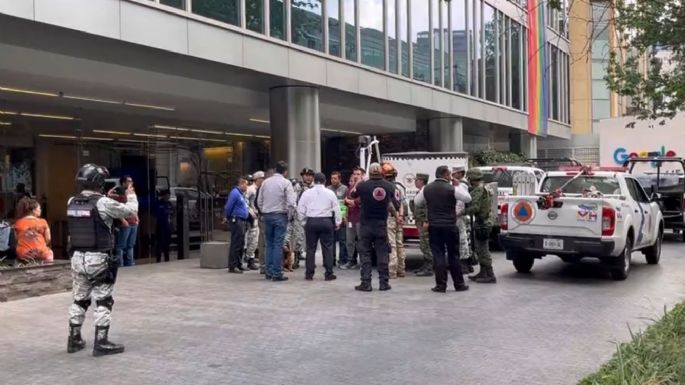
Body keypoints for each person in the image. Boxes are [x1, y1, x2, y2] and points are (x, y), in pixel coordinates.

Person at [66, 163, 138, 356]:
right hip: (98, 257)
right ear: (98, 182)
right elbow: (129, 211)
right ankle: (101, 342)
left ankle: (74, 340)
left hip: (77, 258)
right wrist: (130, 194)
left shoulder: (72, 201)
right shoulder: (103, 203)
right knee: (103, 299)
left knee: (80, 299)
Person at [414, 165, 472, 293]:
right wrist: (458, 185)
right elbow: (468, 198)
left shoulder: (427, 189)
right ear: (446, 175)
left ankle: (440, 285)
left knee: (438, 255)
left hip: (434, 226)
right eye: (450, 174)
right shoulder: (452, 188)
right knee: (453, 255)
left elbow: (417, 202)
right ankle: (459, 284)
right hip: (450, 225)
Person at [350, 163, 397, 292]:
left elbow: (352, 195)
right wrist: (396, 215)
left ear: (369, 173)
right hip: (381, 225)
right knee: (382, 254)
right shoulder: (389, 186)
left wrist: (359, 181)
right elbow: (394, 204)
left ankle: (366, 283)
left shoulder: (363, 186)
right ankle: (384, 283)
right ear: (381, 172)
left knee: (365, 254)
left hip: (365, 225)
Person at [257, 161, 297, 282]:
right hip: (280, 215)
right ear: (285, 172)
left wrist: (264, 211)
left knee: (268, 244)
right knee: (278, 244)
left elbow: (259, 201)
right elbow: (291, 203)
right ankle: (276, 273)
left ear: (275, 170)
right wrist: (290, 216)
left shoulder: (265, 182)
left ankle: (268, 272)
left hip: (267, 215)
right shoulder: (286, 183)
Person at [298, 172, 342, 281]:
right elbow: (336, 208)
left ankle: (309, 273)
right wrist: (338, 222)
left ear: (314, 180)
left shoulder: (307, 193)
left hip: (312, 221)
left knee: (310, 248)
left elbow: (300, 209)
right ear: (325, 181)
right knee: (327, 247)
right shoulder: (330, 193)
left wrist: (303, 222)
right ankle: (329, 272)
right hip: (326, 221)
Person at [465, 168, 496, 283]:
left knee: (483, 249)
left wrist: (462, 212)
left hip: (482, 222)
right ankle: (483, 272)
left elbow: (475, 208)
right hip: (484, 221)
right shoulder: (483, 187)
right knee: (480, 248)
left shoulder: (478, 190)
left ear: (472, 178)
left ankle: (490, 274)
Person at [382, 162, 406, 279]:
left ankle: (392, 271)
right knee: (400, 244)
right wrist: (400, 216)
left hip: (390, 218)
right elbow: (401, 203)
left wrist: (396, 216)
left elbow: (389, 205)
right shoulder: (398, 187)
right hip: (398, 218)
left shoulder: (386, 187)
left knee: (391, 245)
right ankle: (401, 269)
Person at [108, 175, 139, 267]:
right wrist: (123, 220)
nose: (130, 183)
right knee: (121, 245)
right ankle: (120, 265)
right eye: (128, 181)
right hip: (125, 223)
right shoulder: (119, 192)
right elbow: (116, 208)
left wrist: (137, 217)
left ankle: (130, 264)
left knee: (130, 245)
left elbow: (134, 205)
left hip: (133, 221)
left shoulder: (131, 192)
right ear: (123, 182)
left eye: (131, 181)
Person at [287, 168, 314, 268]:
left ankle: (311, 260)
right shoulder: (298, 186)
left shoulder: (315, 187)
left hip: (313, 214)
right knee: (298, 236)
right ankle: (296, 258)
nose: (307, 177)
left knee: (312, 239)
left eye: (310, 175)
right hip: (300, 215)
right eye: (306, 175)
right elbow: (293, 200)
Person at [14, 197, 53, 263]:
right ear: (33, 210)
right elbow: (48, 239)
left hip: (24, 254)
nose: (41, 210)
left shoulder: (18, 223)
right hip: (42, 253)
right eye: (39, 208)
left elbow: (17, 239)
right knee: (49, 253)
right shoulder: (43, 222)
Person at [225, 177, 250, 274]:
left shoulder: (240, 194)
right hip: (236, 219)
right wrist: (228, 217)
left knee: (241, 243)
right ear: (241, 184)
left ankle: (239, 263)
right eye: (246, 184)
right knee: (236, 242)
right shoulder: (235, 193)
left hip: (242, 220)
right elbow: (228, 207)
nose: (247, 187)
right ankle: (233, 265)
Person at [341, 166, 364, 270]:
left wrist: (354, 202)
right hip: (351, 217)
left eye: (358, 174)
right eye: (354, 174)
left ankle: (363, 262)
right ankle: (351, 260)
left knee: (361, 241)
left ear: (362, 175)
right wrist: (345, 215)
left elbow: (363, 199)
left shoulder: (364, 186)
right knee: (349, 241)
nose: (356, 176)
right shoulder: (350, 187)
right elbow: (345, 200)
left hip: (360, 218)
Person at [453, 166, 474, 273]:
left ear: (461, 174)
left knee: (462, 239)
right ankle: (468, 264)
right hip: (464, 216)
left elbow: (460, 203)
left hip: (460, 216)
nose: (453, 175)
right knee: (466, 239)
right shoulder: (464, 184)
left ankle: (464, 265)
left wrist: (457, 213)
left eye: (455, 173)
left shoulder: (462, 185)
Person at [412, 173, 433, 277]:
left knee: (426, 244)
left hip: (424, 222)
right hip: (419, 221)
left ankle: (429, 267)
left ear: (422, 181)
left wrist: (426, 221)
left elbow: (429, 208)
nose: (415, 181)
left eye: (417, 180)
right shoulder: (421, 192)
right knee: (423, 244)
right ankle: (426, 265)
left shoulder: (426, 192)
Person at [244, 171, 265, 271]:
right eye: (261, 178)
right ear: (257, 179)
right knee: (252, 238)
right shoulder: (251, 189)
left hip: (259, 216)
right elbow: (245, 201)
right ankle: (249, 259)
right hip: (252, 217)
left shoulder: (261, 189)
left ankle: (251, 257)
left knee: (256, 239)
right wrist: (251, 212)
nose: (263, 180)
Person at [327, 171, 348, 266]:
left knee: (343, 240)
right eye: (332, 178)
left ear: (340, 179)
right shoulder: (328, 189)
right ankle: (332, 259)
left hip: (342, 217)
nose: (333, 180)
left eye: (335, 178)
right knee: (331, 240)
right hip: (331, 217)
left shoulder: (345, 189)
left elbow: (346, 204)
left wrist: (345, 216)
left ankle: (343, 259)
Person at [155, 189, 173, 263]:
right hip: (160, 225)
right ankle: (158, 258)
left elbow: (172, 212)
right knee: (160, 242)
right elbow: (158, 213)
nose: (168, 196)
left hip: (168, 226)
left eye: (169, 195)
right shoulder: (159, 203)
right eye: (167, 195)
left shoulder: (169, 204)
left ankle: (167, 257)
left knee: (167, 242)